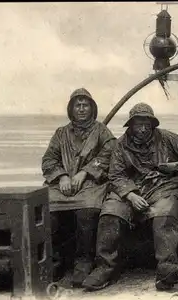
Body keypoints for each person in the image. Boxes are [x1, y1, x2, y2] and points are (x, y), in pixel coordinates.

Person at [82, 103, 178, 291]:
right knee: (110, 213)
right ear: (130, 125)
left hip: (162, 187)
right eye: (138, 124)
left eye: (147, 124)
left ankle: (166, 268)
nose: (143, 128)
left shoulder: (164, 137)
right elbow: (115, 175)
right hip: (130, 190)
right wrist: (130, 195)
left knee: (165, 213)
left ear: (152, 124)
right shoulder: (120, 144)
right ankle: (105, 267)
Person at [42, 88, 115, 288]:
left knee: (88, 211)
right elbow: (49, 159)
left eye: (86, 105)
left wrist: (86, 172)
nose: (82, 108)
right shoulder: (61, 133)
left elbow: (110, 154)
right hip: (62, 185)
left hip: (91, 183)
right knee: (47, 211)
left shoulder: (101, 131)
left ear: (92, 108)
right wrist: (62, 175)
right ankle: (54, 262)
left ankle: (83, 261)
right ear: (71, 109)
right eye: (78, 105)